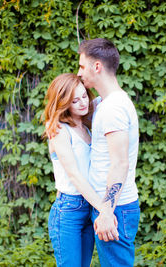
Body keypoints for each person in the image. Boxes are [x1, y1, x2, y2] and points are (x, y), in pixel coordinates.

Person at [77, 38, 140, 266]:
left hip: (115, 209)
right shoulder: (106, 103)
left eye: (82, 66)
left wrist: (106, 211)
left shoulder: (113, 108)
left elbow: (120, 163)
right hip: (110, 207)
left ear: (97, 67)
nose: (79, 72)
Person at [42, 73, 114, 266]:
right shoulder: (58, 129)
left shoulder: (87, 124)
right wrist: (103, 208)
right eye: (75, 100)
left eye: (84, 96)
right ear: (63, 102)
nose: (83, 103)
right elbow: (74, 175)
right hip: (68, 210)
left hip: (89, 206)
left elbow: (111, 94)